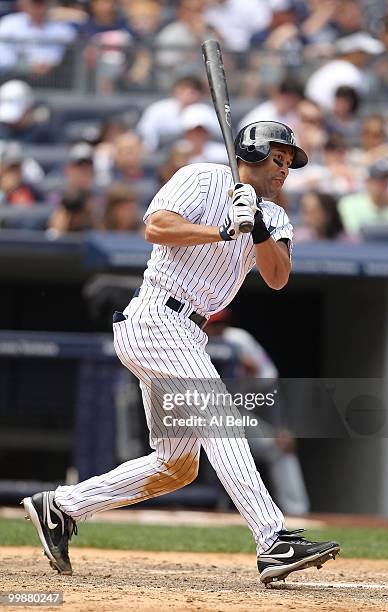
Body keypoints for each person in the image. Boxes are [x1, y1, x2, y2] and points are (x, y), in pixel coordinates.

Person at [22, 120, 340, 585]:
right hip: (156, 317)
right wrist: (224, 230)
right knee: (221, 416)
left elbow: (278, 276)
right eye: (277, 160)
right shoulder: (203, 177)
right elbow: (156, 227)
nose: (284, 172)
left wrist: (256, 230)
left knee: (175, 466)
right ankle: (272, 539)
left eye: (289, 164)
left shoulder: (274, 216)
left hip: (189, 333)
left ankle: (61, 507)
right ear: (250, 154)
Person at [205, 308, 310, 516]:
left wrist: (280, 428)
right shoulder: (183, 339)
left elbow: (269, 382)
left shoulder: (239, 340)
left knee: (280, 447)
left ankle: (298, 514)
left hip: (232, 413)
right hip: (186, 414)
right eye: (213, 324)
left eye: (221, 324)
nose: (219, 329)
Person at [0, 0, 76, 76]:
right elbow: (3, 58)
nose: (40, 7)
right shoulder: (8, 24)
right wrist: (27, 66)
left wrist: (48, 65)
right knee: (15, 87)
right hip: (16, 76)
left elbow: (68, 58)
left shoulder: (63, 29)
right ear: (23, 3)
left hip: (54, 78)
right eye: (35, 2)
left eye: (43, 3)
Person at [338, 159, 388, 235]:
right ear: (367, 182)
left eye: (387, 181)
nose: (384, 185)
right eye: (379, 180)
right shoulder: (349, 203)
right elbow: (354, 233)